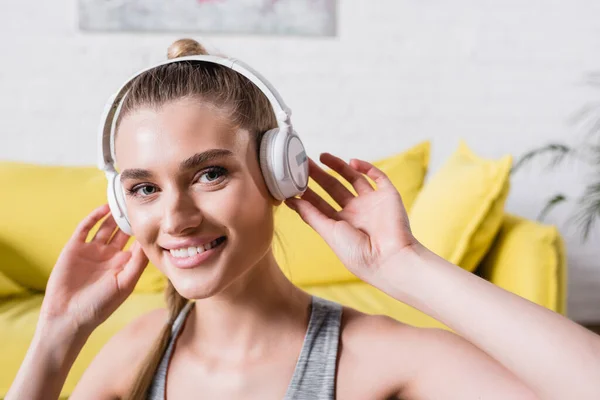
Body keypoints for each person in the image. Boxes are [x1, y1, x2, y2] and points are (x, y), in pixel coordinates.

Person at [6, 38, 600, 400]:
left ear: (277, 172)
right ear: (121, 203)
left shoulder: (373, 356)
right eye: (143, 188)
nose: (176, 217)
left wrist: (405, 266)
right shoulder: (133, 352)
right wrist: (57, 336)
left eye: (210, 174)